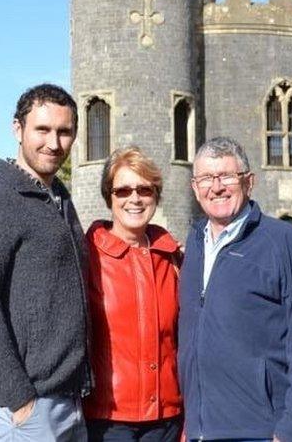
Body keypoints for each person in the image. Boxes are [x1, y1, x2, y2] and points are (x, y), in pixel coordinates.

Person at [0, 83, 90, 441]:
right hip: (17, 405)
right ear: (18, 129)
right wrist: (20, 399)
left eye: (64, 132)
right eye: (42, 130)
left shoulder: (56, 197)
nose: (54, 143)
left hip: (62, 399)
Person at [178, 137, 292, 442]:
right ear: (194, 188)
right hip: (199, 431)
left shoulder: (283, 243)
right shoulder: (193, 244)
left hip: (260, 430)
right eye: (206, 178)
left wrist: (290, 430)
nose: (216, 187)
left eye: (227, 177)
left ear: (249, 182)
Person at [83, 146, 184, 441]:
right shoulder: (88, 256)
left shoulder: (174, 259)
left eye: (144, 189)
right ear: (108, 196)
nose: (135, 199)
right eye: (123, 191)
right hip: (108, 420)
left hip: (167, 419)